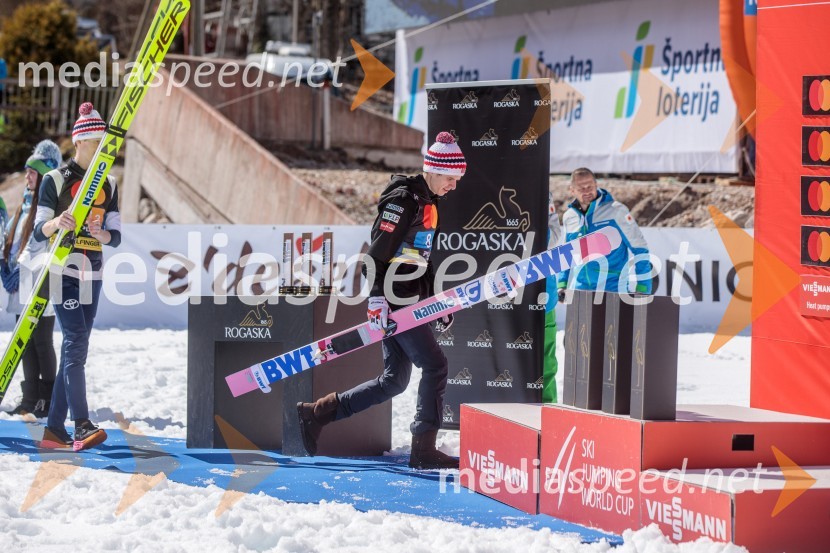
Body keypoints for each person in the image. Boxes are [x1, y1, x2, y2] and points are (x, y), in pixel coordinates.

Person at [297, 132, 465, 470]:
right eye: (450, 178)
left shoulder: (430, 204)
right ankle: (424, 448)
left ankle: (317, 413)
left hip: (409, 299)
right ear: (432, 169)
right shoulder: (403, 201)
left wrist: (435, 305)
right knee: (436, 365)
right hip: (394, 300)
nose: (453, 186)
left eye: (457, 180)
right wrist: (376, 300)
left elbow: (423, 260)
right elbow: (375, 255)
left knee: (395, 381)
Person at [35, 102, 122, 451]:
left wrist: (101, 234)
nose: (102, 146)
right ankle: (81, 424)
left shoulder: (110, 182)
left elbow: (116, 236)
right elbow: (40, 230)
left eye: (105, 140)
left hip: (93, 274)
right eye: (96, 140)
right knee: (74, 341)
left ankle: (54, 429)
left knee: (78, 348)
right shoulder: (54, 180)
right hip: (62, 271)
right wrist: (58, 222)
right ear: (79, 142)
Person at [1, 140, 62, 417]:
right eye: (27, 171)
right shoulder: (25, 204)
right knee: (22, 340)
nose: (27, 177)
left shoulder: (49, 207)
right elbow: (14, 241)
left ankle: (47, 399)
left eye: (32, 172)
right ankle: (29, 398)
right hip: (20, 284)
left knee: (41, 340)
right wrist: (6, 263)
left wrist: (21, 268)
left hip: (40, 281)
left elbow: (41, 243)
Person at [557, 168, 651, 299]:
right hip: (579, 289)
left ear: (596, 184)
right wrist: (562, 284)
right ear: (572, 190)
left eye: (590, 186)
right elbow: (567, 253)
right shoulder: (569, 216)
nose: (587, 191)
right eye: (581, 188)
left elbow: (640, 248)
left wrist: (643, 288)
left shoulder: (616, 211)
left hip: (613, 288)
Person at [543, 192, 562, 403]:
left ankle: (547, 410)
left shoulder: (542, 189)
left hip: (543, 293)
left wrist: (537, 234)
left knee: (545, 362)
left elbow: (555, 237)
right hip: (504, 292)